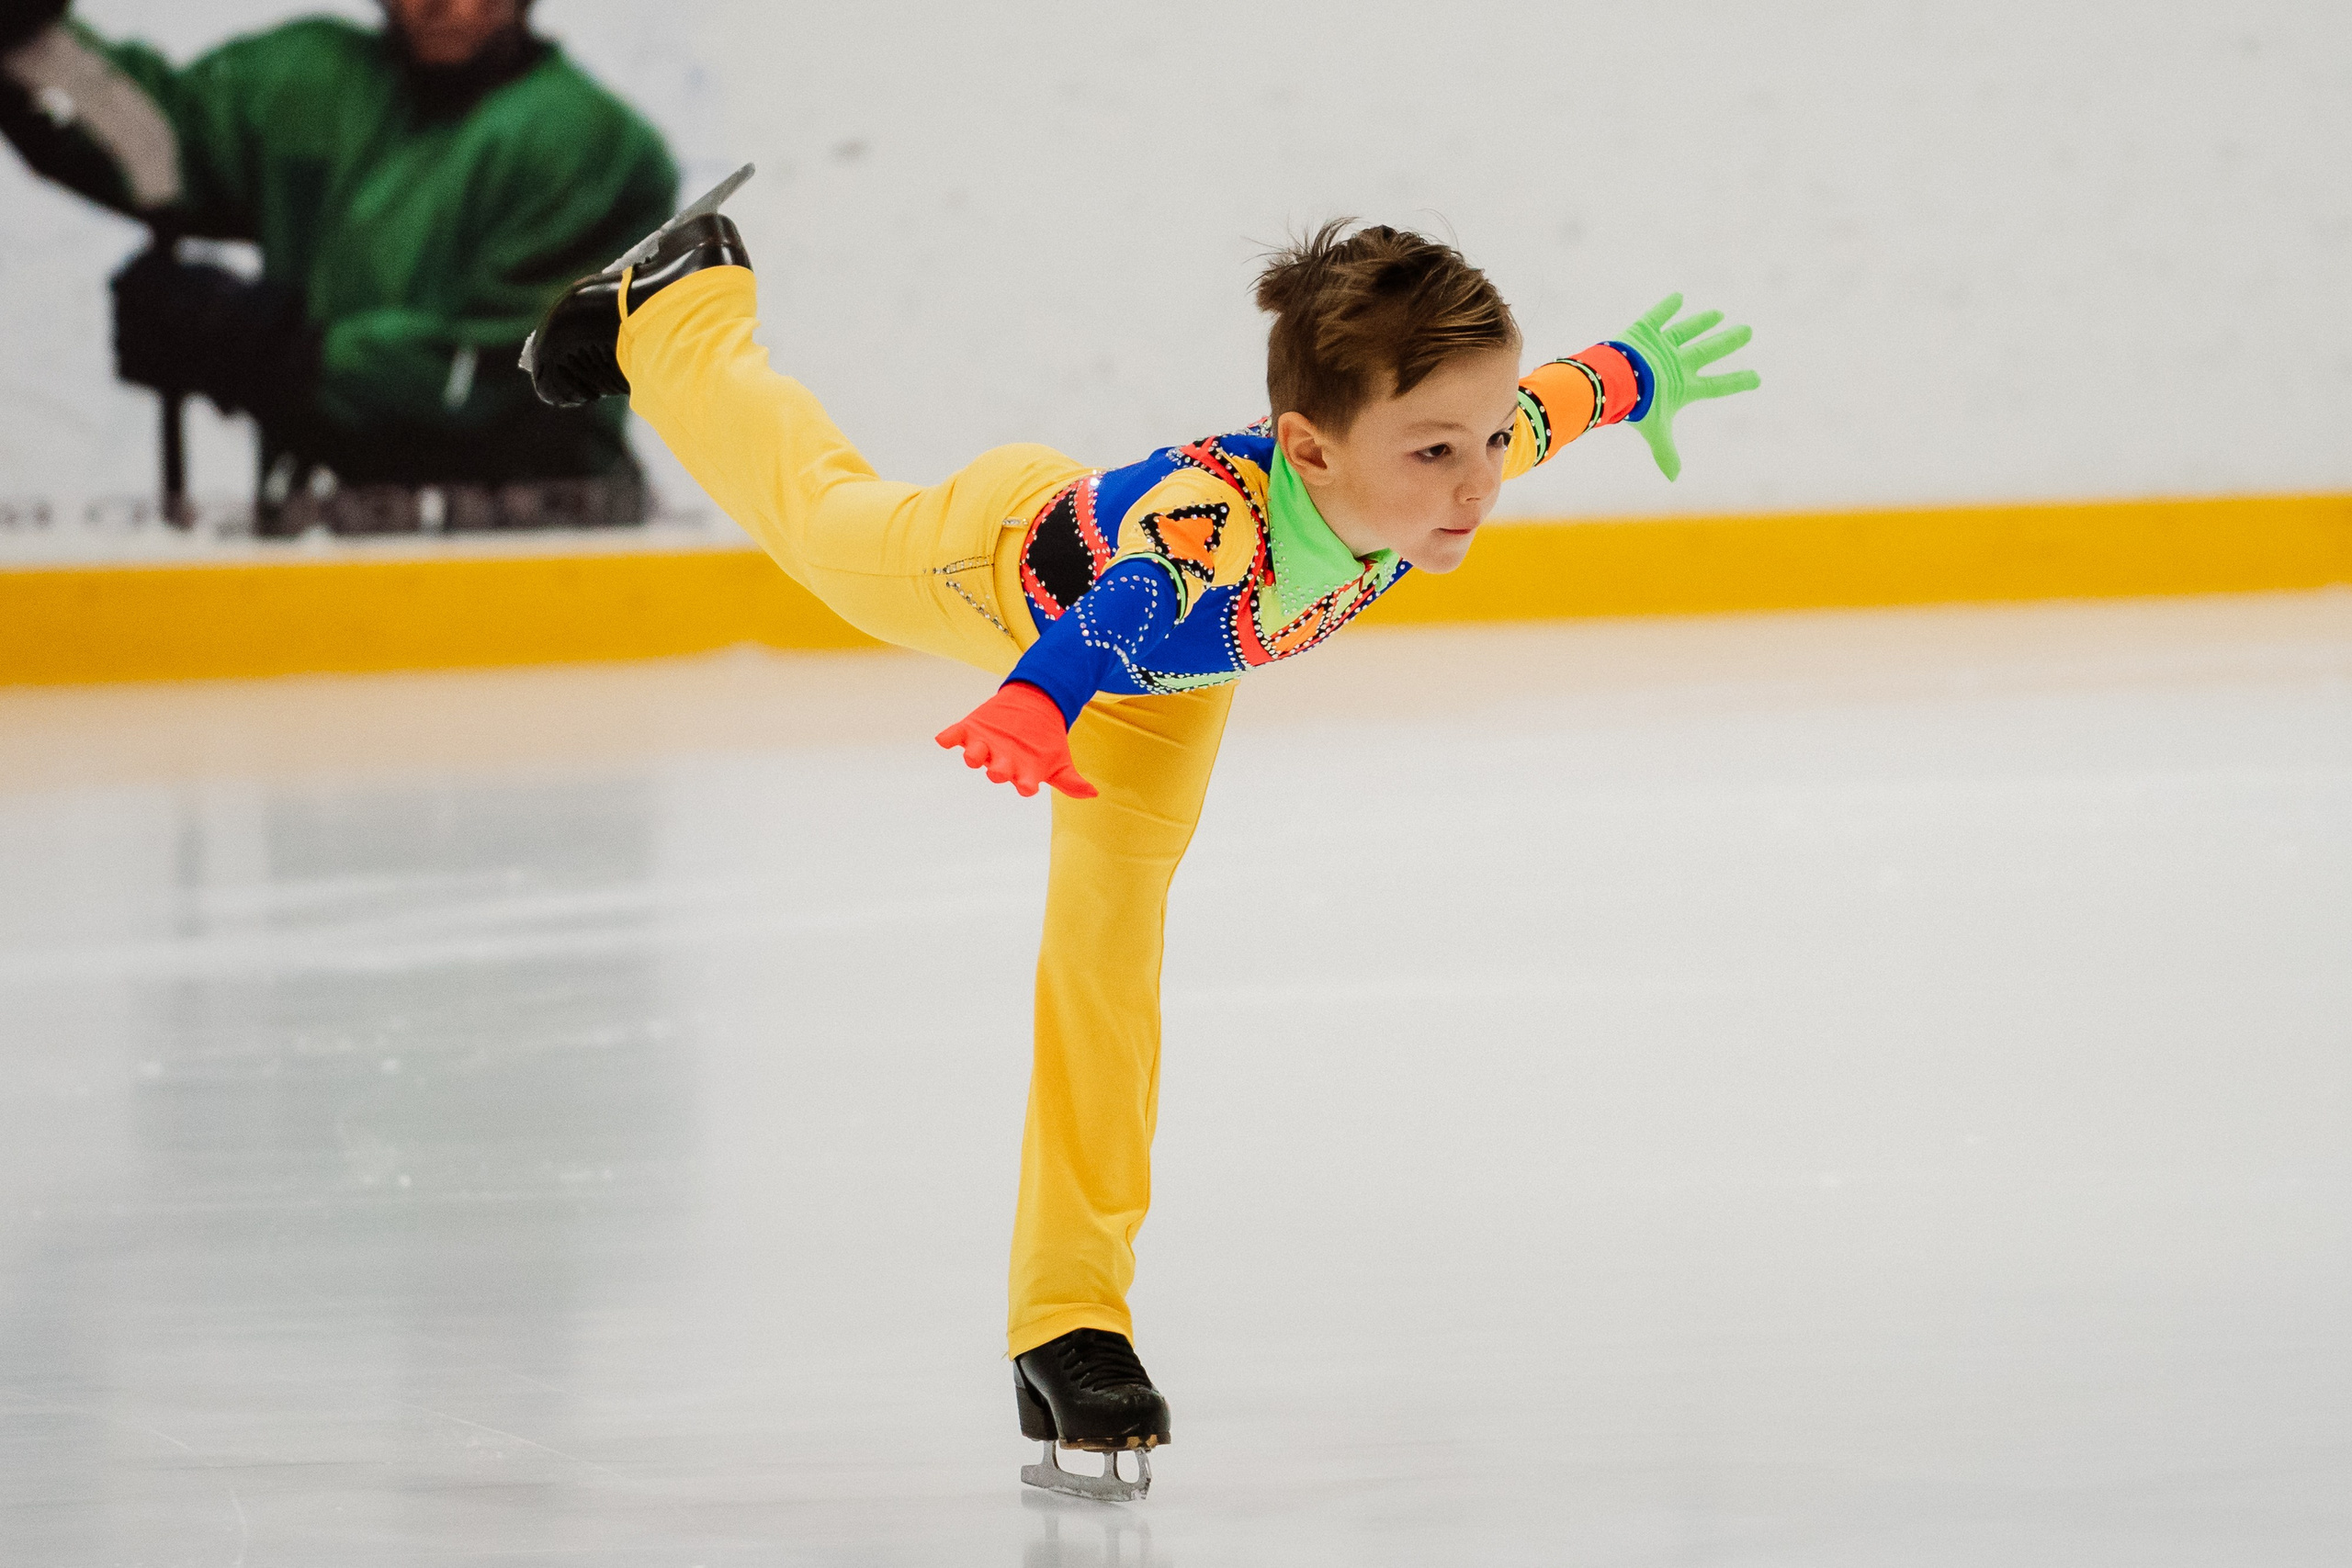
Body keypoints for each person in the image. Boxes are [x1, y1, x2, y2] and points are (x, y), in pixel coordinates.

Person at [526, 203, 1758, 1495]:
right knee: (821, 521)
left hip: (1167, 687)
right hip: (1002, 578)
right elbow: (1121, 606)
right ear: (1309, 449)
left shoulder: (1430, 461)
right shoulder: (1205, 522)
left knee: (1106, 969)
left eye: (1490, 439)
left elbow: (1551, 402)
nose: (1479, 481)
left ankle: (1071, 1320)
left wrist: (1638, 374)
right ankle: (677, 310)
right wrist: (1035, 696)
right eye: (1442, 447)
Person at [0, 0, 675, 532]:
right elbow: (150, 143)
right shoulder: (311, 83)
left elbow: (506, 376)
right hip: (326, 538)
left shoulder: (592, 146)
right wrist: (28, 37)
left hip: (545, 548)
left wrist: (268, 349)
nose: (437, 2)